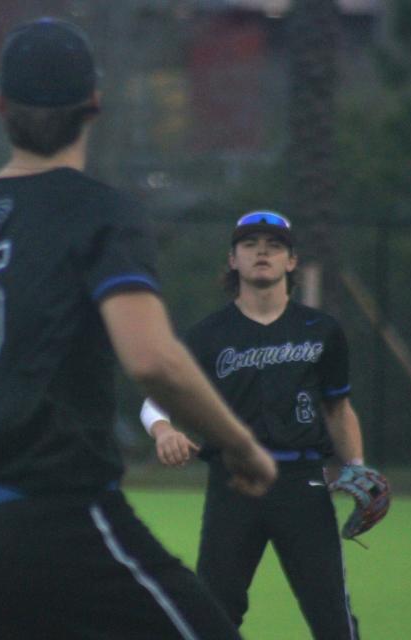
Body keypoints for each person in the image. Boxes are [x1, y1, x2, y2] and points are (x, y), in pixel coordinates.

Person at [0, 18, 277, 640]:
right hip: (65, 516)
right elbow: (152, 360)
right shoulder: (100, 212)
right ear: (94, 107)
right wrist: (240, 446)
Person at [140, 210, 365, 639]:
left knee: (332, 616)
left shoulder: (321, 330)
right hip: (234, 482)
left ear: (292, 261)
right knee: (213, 616)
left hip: (302, 483)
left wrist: (356, 465)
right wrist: (164, 430)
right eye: (250, 244)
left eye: (274, 245)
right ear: (232, 259)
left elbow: (338, 408)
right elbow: (155, 401)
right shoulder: (208, 335)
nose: (262, 251)